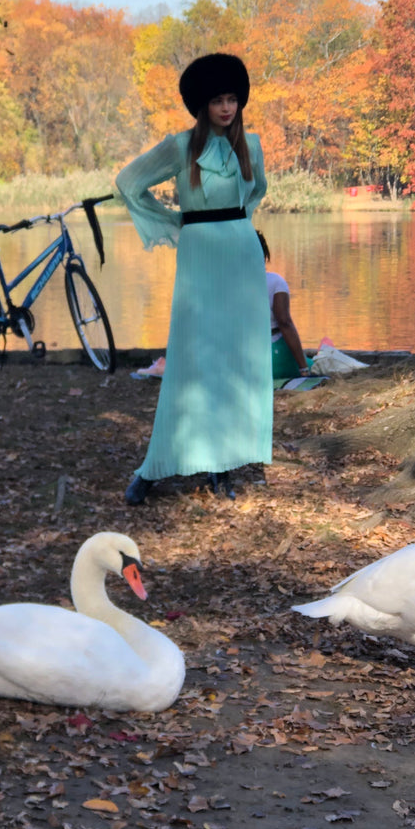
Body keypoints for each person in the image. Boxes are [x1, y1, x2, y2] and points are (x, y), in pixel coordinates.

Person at [116, 53, 271, 504]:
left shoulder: (253, 146)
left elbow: (257, 190)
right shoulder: (181, 147)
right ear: (201, 105)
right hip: (200, 255)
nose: (226, 108)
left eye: (232, 99)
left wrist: (237, 225)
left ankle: (223, 464)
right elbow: (129, 182)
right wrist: (173, 221)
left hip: (241, 257)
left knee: (235, 358)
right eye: (217, 100)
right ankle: (155, 466)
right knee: (190, 357)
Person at [256, 231, 310, 380]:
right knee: (315, 364)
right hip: (273, 355)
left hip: (242, 359)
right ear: (264, 254)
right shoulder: (275, 282)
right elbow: (284, 322)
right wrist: (304, 368)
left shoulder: (228, 287)